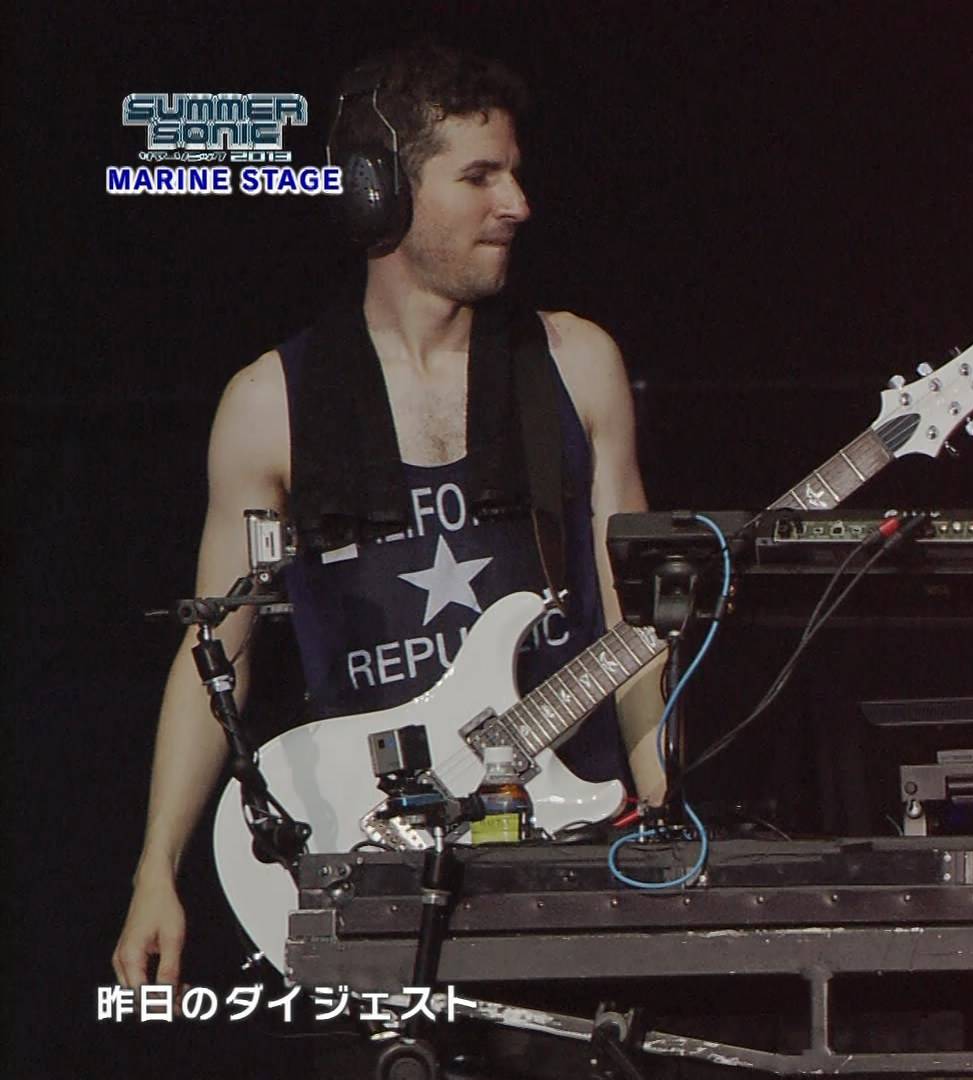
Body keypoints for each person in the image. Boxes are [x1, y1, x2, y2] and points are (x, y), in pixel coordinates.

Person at [112, 43, 668, 994]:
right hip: (370, 867)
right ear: (379, 194)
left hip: (569, 854)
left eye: (515, 173)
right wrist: (155, 869)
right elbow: (217, 654)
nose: (517, 204)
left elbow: (638, 621)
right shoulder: (269, 405)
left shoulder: (576, 364)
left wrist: (658, 798)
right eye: (480, 177)